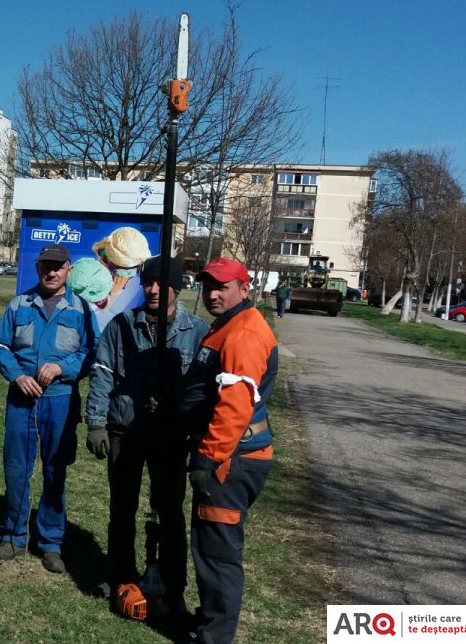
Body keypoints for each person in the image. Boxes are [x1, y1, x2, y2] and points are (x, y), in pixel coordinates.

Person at [84, 256, 209, 618]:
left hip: (170, 436)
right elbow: (103, 373)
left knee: (168, 511)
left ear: (176, 288)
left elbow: (202, 388)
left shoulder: (195, 332)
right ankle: (120, 574)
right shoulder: (122, 326)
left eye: (162, 284)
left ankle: (170, 581)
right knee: (121, 507)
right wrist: (96, 423)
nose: (154, 290)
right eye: (149, 283)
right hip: (126, 430)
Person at [183, 257, 278, 644]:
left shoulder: (242, 335)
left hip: (230, 461)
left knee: (218, 554)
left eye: (222, 286)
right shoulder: (230, 325)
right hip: (232, 456)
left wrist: (206, 459)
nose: (213, 294)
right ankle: (209, 623)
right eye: (208, 286)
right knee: (211, 545)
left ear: (244, 288)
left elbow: (234, 407)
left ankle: (214, 637)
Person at [0, 243, 97, 574]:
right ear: (37, 269)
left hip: (60, 402)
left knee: (55, 471)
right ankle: (13, 536)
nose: (50, 272)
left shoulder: (81, 310)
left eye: (57, 266)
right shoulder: (20, 304)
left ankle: (51, 543)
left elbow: (91, 352)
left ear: (69, 270)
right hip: (22, 400)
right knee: (17, 469)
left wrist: (62, 368)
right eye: (45, 266)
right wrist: (17, 375)